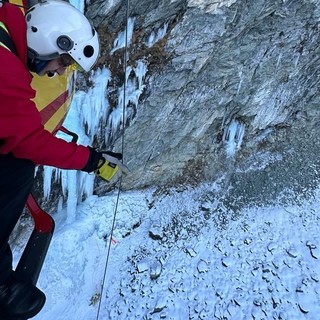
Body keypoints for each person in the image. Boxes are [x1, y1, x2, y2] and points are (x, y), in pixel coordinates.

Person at [0, 0, 125, 318]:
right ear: (48, 42)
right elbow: (30, 142)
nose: (60, 72)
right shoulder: (7, 72)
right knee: (17, 168)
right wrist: (92, 160)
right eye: (63, 63)